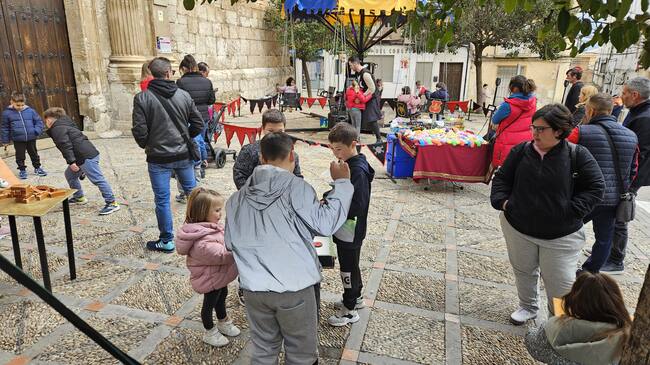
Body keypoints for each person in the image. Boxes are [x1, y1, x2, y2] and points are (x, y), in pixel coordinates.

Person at [225, 132, 353, 364]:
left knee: (263, 350)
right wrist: (342, 184)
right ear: (292, 155)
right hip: (295, 288)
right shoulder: (298, 188)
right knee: (301, 353)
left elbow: (230, 243)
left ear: (262, 158)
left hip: (254, 289)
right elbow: (325, 225)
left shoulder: (236, 200)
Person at [490, 103, 605, 325]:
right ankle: (528, 306)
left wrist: (570, 212)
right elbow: (502, 179)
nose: (534, 133)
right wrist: (504, 203)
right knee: (524, 271)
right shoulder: (521, 151)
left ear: (559, 131)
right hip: (518, 228)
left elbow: (596, 187)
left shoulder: (577, 155)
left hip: (560, 235)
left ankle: (560, 321)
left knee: (560, 283)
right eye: (534, 127)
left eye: (541, 129)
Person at [132, 57, 204, 253]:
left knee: (162, 199)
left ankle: (166, 240)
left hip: (158, 158)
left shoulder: (142, 98)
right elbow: (198, 124)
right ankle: (201, 234)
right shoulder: (184, 95)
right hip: (183, 155)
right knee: (193, 194)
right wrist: (185, 138)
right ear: (168, 73)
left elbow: (139, 131)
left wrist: (149, 144)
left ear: (152, 74)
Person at [566, 93, 638, 274]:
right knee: (605, 238)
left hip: (584, 195)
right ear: (611, 110)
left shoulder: (580, 132)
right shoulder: (631, 136)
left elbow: (563, 159)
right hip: (613, 198)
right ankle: (590, 272)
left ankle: (562, 267)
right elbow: (634, 168)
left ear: (590, 110)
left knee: (565, 231)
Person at [176, 187, 240, 347]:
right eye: (217, 210)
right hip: (209, 278)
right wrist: (239, 248)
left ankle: (223, 320)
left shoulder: (211, 226)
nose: (221, 214)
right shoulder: (202, 241)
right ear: (203, 213)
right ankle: (209, 331)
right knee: (209, 305)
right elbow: (221, 255)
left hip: (218, 276)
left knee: (222, 295)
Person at [525, 272, 632, 365]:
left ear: (575, 300)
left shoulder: (556, 327)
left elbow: (532, 343)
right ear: (616, 301)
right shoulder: (628, 339)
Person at [326, 123, 374, 326]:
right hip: (347, 228)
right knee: (352, 265)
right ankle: (356, 297)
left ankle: (349, 309)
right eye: (332, 148)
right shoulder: (351, 165)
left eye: (338, 149)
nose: (335, 153)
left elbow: (357, 204)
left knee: (347, 268)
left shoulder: (357, 171)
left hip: (350, 228)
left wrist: (334, 199)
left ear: (353, 144)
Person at [604, 76, 650, 274]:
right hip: (625, 173)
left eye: (624, 93)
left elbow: (644, 155)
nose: (621, 97)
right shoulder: (637, 112)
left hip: (630, 177)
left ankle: (616, 259)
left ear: (635, 95)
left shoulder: (645, 117)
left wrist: (631, 184)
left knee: (619, 215)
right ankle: (608, 251)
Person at [43, 107, 120, 215]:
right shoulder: (65, 124)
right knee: (70, 175)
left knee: (98, 179)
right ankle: (79, 197)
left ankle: (112, 203)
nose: (45, 123)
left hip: (85, 157)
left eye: (45, 121)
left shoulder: (57, 128)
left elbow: (65, 145)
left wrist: (71, 162)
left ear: (49, 120)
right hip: (85, 154)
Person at [232, 109, 302, 190]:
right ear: (263, 128)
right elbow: (239, 175)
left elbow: (297, 178)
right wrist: (253, 195)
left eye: (280, 131)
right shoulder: (249, 151)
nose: (275, 135)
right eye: (270, 131)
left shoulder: (290, 154)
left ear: (284, 129)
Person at [176, 54, 215, 182]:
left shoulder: (181, 82)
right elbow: (211, 100)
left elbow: (178, 100)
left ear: (184, 68)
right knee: (201, 140)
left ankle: (194, 165)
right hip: (203, 115)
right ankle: (202, 162)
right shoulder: (207, 82)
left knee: (191, 141)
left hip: (188, 116)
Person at [490, 75, 537, 168]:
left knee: (505, 171)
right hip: (526, 142)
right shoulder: (533, 101)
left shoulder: (508, 105)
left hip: (507, 142)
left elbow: (495, 119)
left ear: (514, 88)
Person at [1, 92, 47, 179]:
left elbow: (39, 122)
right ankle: (22, 170)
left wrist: (36, 131)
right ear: (12, 102)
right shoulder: (6, 113)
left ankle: (37, 168)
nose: (20, 107)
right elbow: (5, 128)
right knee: (20, 155)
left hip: (31, 137)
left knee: (34, 153)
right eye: (18, 105)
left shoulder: (30, 111)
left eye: (22, 105)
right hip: (18, 139)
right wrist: (5, 141)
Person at [349, 56, 382, 143]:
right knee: (369, 118)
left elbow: (372, 88)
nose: (350, 67)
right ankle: (359, 137)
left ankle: (379, 139)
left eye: (351, 65)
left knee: (372, 118)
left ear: (355, 63)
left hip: (372, 98)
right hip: (368, 98)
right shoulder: (360, 74)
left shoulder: (365, 74)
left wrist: (362, 97)